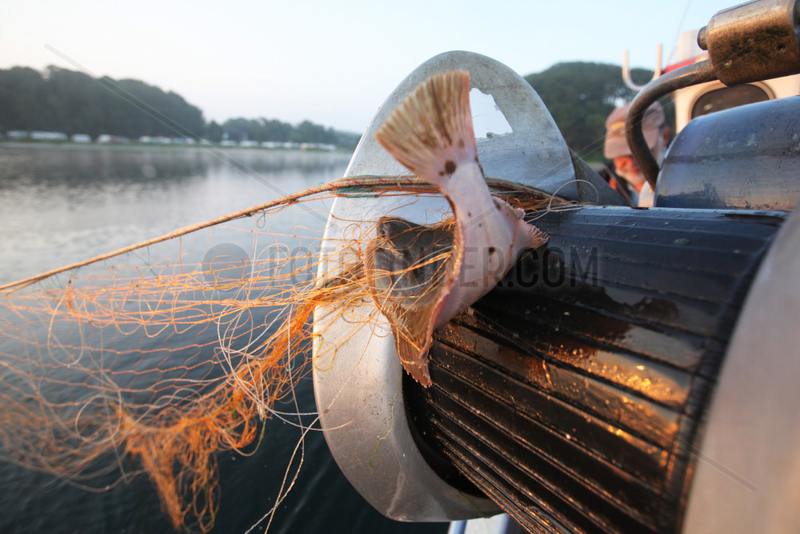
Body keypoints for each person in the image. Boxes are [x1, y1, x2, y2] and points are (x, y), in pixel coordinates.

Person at [601, 101, 670, 207]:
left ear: (664, 137)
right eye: (621, 152)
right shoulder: (597, 185)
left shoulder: (692, 180)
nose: (631, 162)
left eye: (639, 150)